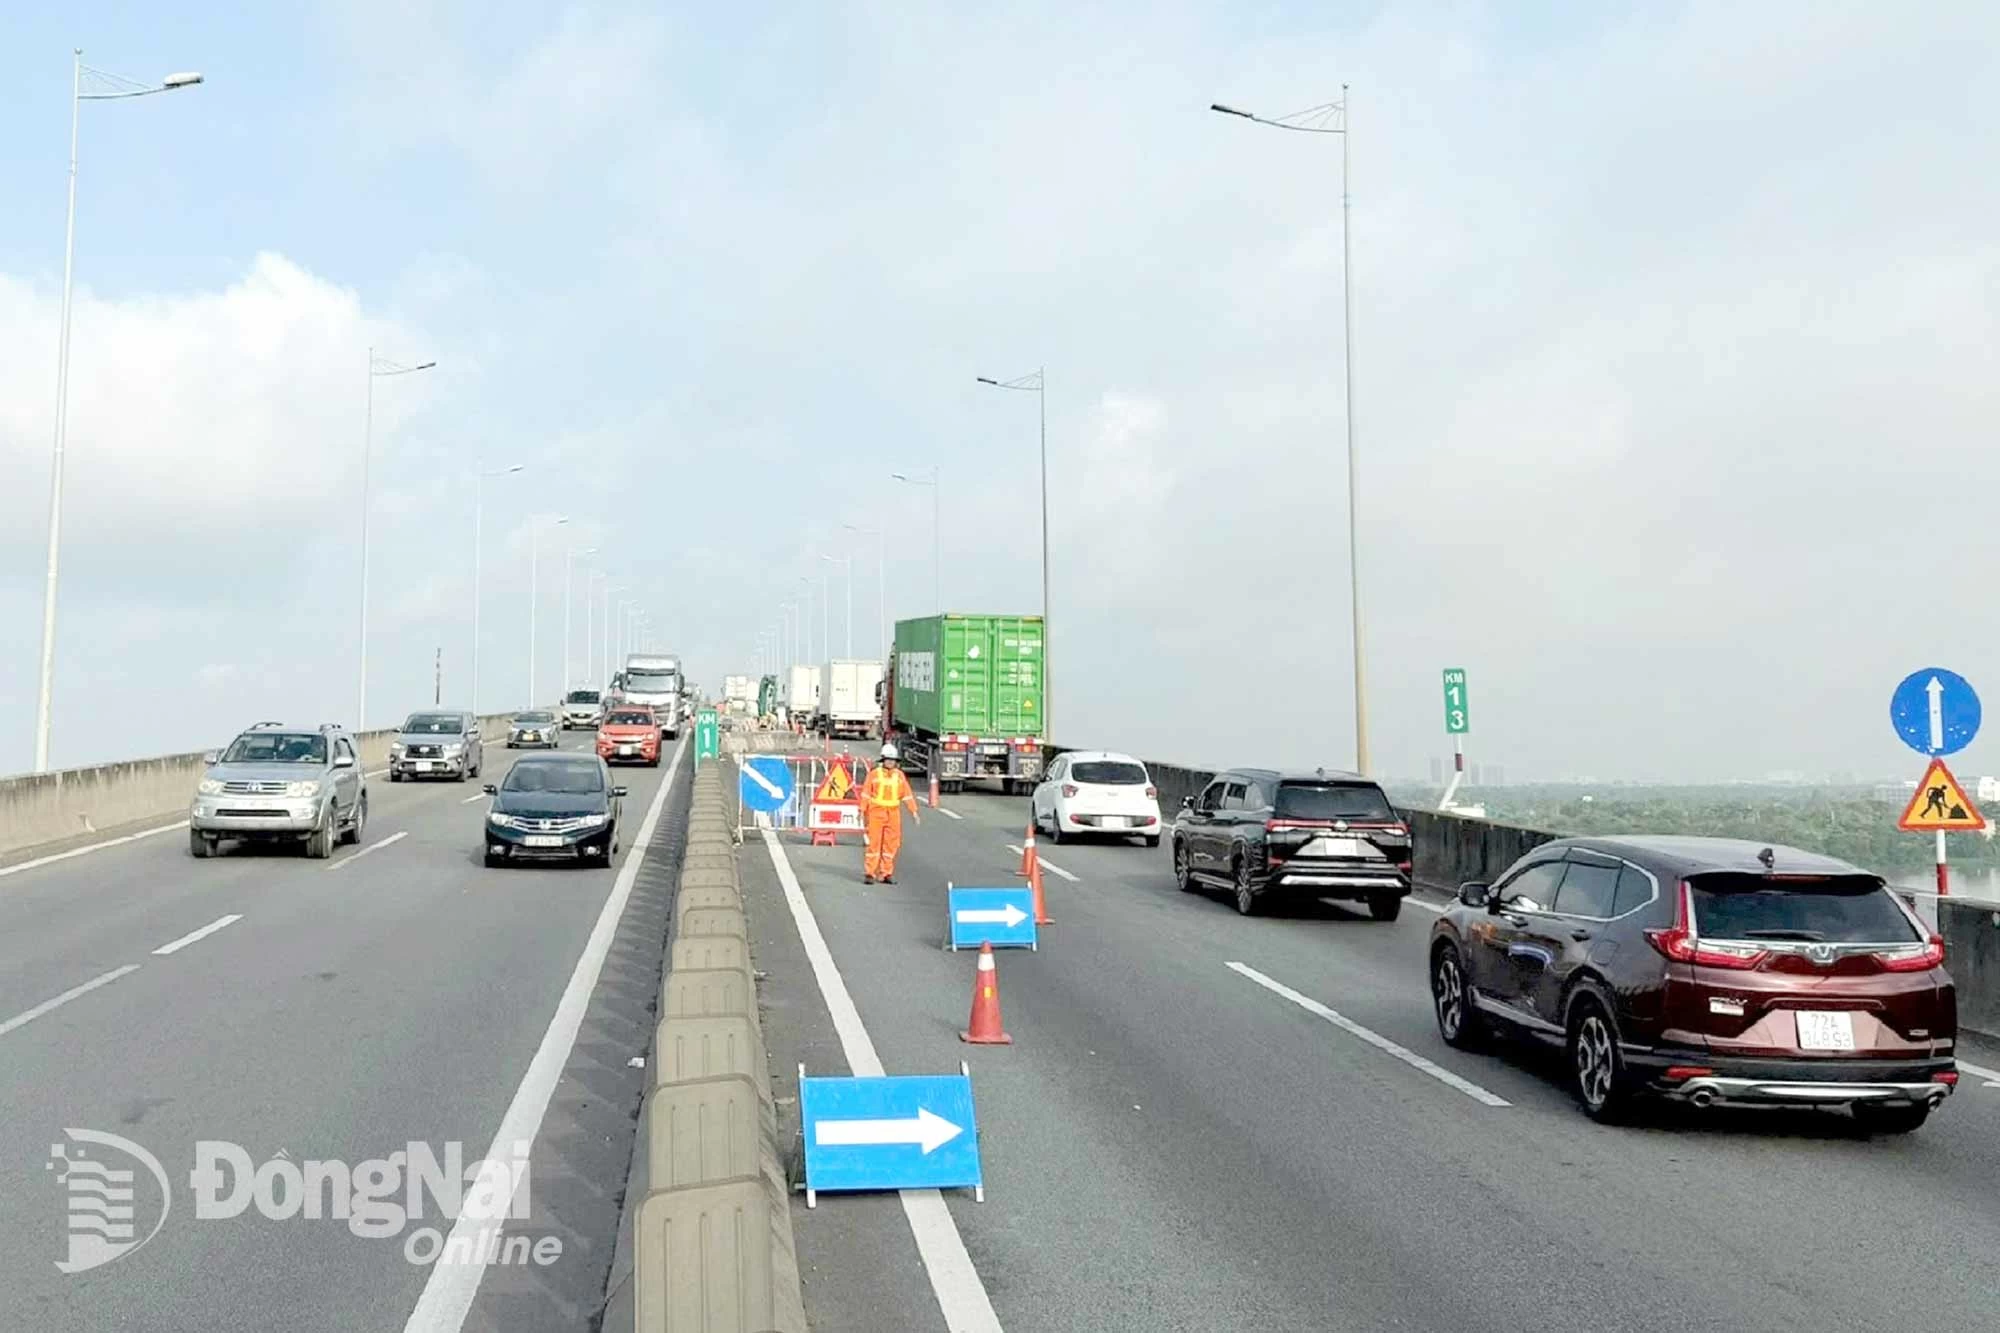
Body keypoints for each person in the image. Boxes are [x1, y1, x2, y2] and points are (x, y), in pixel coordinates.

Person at [861, 742, 920, 884]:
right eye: (888, 759)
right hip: (876, 813)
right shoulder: (874, 775)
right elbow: (866, 794)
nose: (891, 762)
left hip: (893, 814)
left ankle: (886, 873)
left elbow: (907, 795)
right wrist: (861, 810)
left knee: (891, 845)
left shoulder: (899, 776)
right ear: (883, 760)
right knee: (874, 844)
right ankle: (870, 873)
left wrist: (914, 811)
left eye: (893, 760)